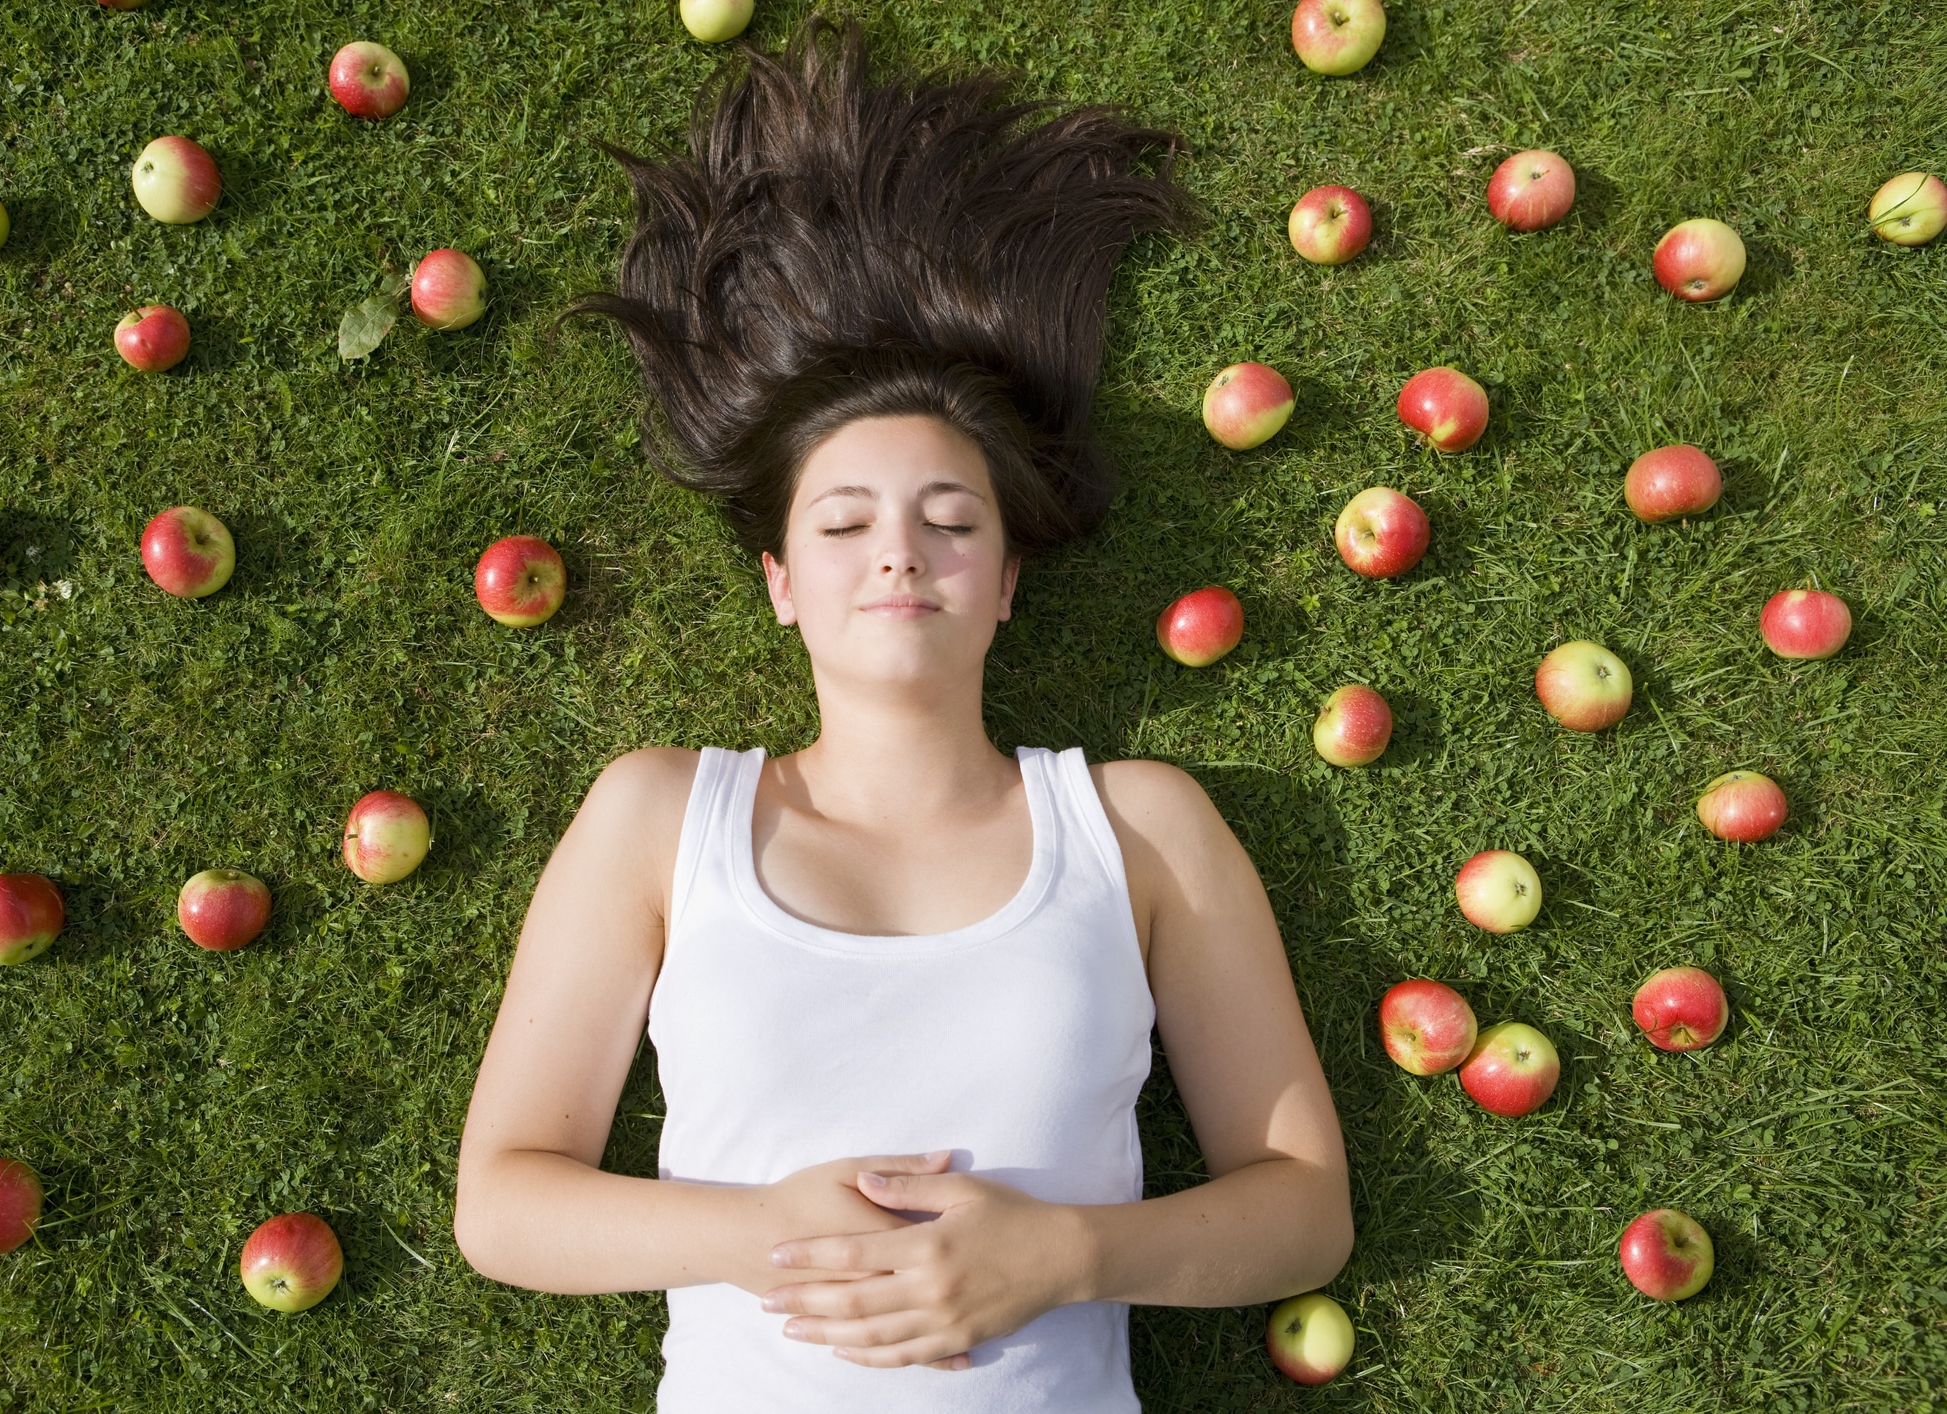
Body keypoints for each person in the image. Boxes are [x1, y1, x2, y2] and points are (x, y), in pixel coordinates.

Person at [454, 19, 1352, 1411]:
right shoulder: (659, 816)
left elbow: (1302, 1208)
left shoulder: (1141, 827)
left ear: (1001, 584)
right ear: (779, 583)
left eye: (949, 521)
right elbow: (503, 1203)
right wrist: (764, 1231)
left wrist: (1062, 1255)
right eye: (844, 520)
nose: (897, 553)